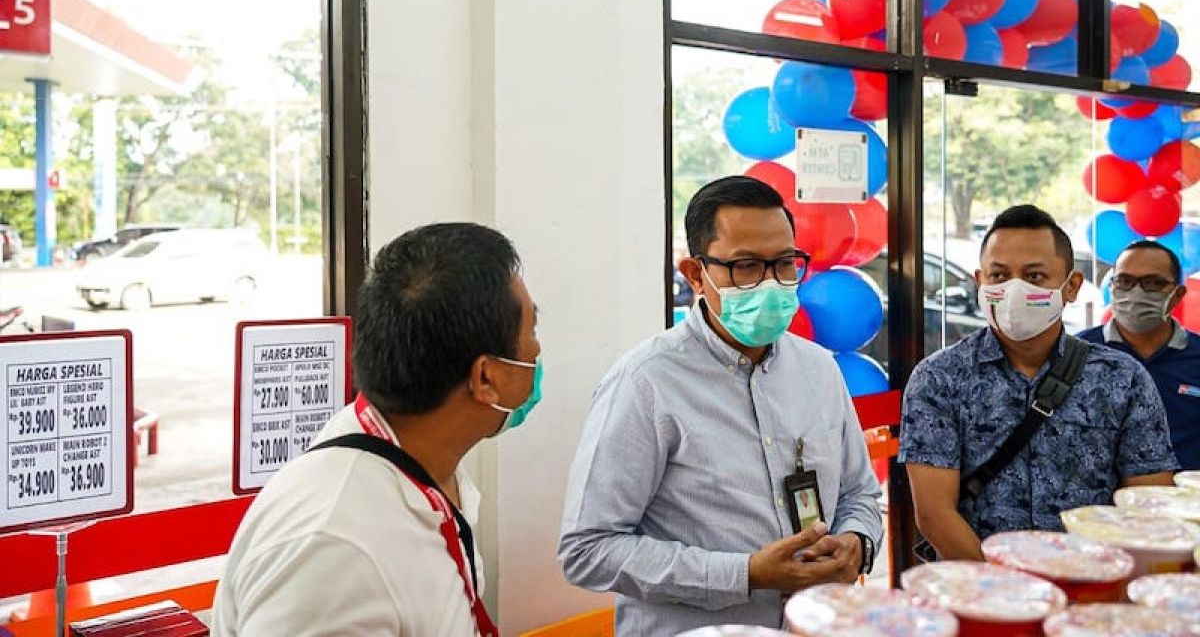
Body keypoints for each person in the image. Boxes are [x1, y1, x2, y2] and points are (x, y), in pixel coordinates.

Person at [559, 176, 883, 634]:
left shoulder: (820, 370)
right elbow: (587, 549)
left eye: (785, 263)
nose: (772, 284)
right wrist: (745, 574)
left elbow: (860, 494)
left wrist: (857, 541)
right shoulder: (646, 383)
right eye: (747, 266)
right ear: (695, 274)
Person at [213, 223, 542, 636]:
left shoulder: (417, 464)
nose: (538, 349)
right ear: (486, 377)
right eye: (532, 328)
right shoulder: (332, 546)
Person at [900, 205, 1177, 561]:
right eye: (998, 276)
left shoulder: (1122, 379)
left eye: (1034, 276)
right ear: (979, 282)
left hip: (1092, 590)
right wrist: (1007, 594)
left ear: (1072, 286)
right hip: (977, 593)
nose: (1014, 289)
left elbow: (1148, 502)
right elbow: (935, 515)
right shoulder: (938, 379)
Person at [1078, 240, 1200, 470]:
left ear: (1177, 294)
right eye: (1125, 281)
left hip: (1184, 499)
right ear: (1111, 286)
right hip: (1101, 501)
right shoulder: (1078, 353)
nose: (1135, 293)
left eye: (1153, 283)